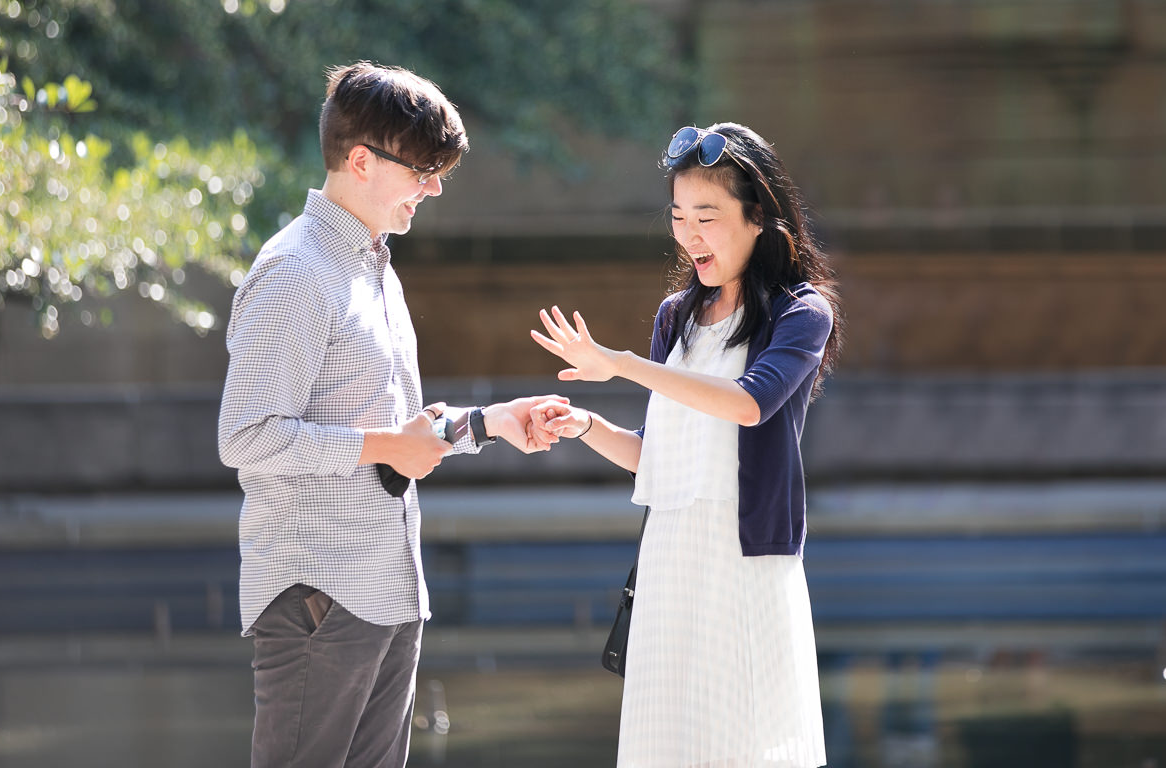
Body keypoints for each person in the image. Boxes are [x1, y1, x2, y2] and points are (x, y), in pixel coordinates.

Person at [217, 60, 566, 768]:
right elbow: (246, 436)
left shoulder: (373, 263)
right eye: (423, 170)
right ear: (360, 161)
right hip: (318, 597)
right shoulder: (296, 271)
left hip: (386, 590)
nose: (434, 187)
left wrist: (490, 422)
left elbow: (404, 436)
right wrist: (383, 445)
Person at [530, 122, 842, 768]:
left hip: (743, 563)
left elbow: (749, 403)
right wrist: (586, 426)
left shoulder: (801, 313)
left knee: (745, 747)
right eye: (678, 217)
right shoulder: (675, 318)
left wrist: (618, 363)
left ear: (758, 218)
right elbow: (657, 456)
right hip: (671, 561)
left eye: (707, 216)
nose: (689, 235)